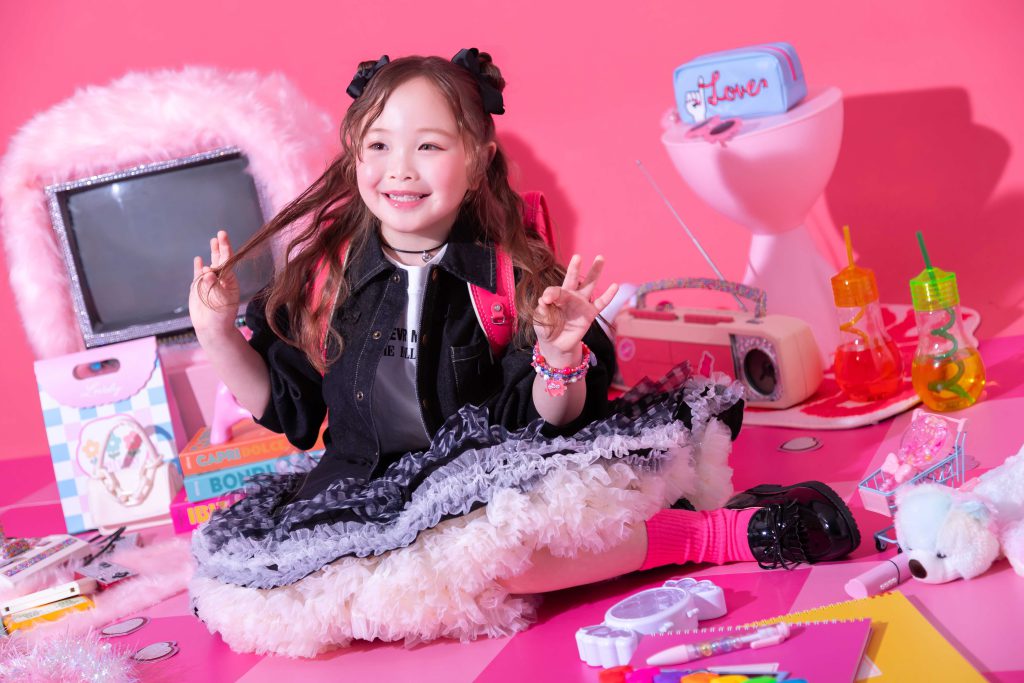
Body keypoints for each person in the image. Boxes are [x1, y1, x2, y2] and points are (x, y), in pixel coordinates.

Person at [187, 49, 860, 656]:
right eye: (378, 145)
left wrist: (560, 355)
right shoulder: (326, 276)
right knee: (294, 593)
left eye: (428, 146)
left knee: (507, 555)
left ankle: (713, 534)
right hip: (369, 492)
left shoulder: (510, 272)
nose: (400, 169)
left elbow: (549, 416)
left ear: (479, 158)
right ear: (354, 156)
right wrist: (216, 332)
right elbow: (284, 405)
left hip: (495, 474)